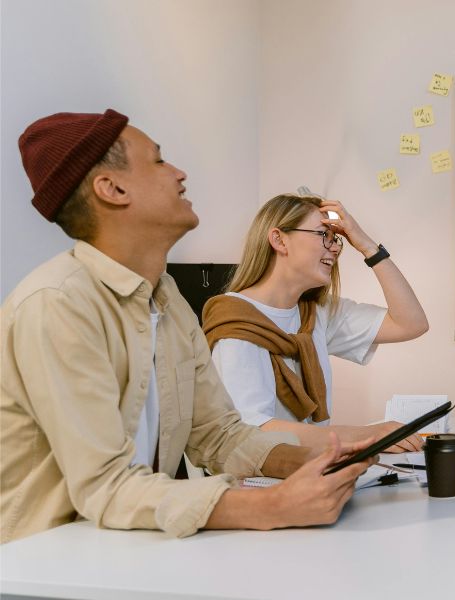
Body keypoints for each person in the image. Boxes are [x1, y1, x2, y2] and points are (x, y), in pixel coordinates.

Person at [1, 109, 375, 544]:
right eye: (158, 161)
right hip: (43, 567)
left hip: (126, 549)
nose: (179, 173)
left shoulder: (168, 300)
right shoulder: (59, 305)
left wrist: (317, 462)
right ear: (112, 188)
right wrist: (272, 505)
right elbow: (108, 486)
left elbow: (218, 434)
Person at [204, 194, 429, 451]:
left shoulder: (315, 313)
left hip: (310, 467)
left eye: (337, 240)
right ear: (279, 240)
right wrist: (366, 436)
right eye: (324, 235)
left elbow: (411, 323)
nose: (334, 248)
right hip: (261, 480)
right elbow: (252, 430)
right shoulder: (236, 321)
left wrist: (368, 247)